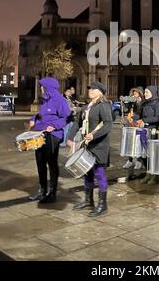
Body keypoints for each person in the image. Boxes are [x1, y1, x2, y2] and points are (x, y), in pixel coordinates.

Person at [68, 81, 112, 217]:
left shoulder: (103, 106)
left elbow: (107, 125)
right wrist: (69, 138)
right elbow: (77, 123)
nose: (90, 91)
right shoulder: (86, 107)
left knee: (100, 174)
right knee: (87, 173)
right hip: (88, 146)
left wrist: (93, 136)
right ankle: (88, 200)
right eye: (90, 89)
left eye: (93, 89)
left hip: (99, 146)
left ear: (100, 92)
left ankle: (102, 205)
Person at [29, 77, 71, 203]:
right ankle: (42, 190)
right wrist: (34, 118)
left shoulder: (60, 100)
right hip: (40, 134)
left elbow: (68, 117)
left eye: (42, 86)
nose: (41, 88)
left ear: (48, 88)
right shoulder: (45, 100)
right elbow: (41, 115)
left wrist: (54, 126)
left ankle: (52, 193)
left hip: (53, 135)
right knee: (40, 162)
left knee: (51, 163)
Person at [138, 86, 159, 184]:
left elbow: (158, 118)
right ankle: (148, 173)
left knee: (152, 154)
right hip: (143, 130)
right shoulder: (144, 104)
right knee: (144, 154)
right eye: (145, 92)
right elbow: (139, 115)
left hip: (153, 131)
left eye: (147, 92)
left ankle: (153, 175)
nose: (145, 94)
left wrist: (145, 121)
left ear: (153, 92)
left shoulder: (157, 104)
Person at [122, 87, 145, 170]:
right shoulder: (132, 102)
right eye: (133, 94)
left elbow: (142, 114)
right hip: (131, 124)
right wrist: (125, 102)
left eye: (135, 94)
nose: (134, 95)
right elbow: (126, 110)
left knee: (138, 144)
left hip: (138, 124)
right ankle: (130, 160)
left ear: (139, 94)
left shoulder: (143, 103)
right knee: (130, 143)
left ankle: (139, 161)